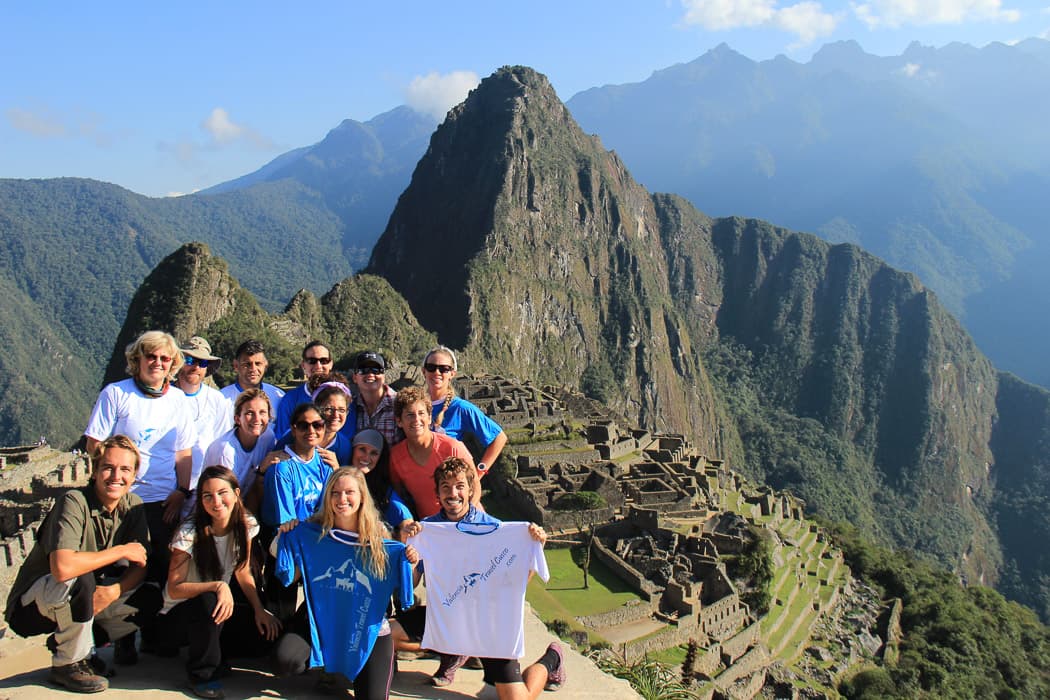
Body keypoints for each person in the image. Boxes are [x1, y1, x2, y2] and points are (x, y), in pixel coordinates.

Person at [4, 436, 161, 693]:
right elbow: (63, 568)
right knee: (81, 578)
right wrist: (120, 550)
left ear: (134, 476)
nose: (116, 476)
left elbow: (140, 565)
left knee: (151, 595)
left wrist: (114, 591)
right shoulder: (74, 501)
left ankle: (80, 647)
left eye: (125, 470)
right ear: (95, 470)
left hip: (83, 598)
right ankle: (68, 665)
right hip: (33, 607)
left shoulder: (133, 506)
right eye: (108, 467)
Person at [403, 457, 564, 695]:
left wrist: (532, 545)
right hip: (446, 615)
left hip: (490, 626)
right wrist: (409, 552)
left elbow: (518, 582)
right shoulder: (428, 529)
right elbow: (412, 582)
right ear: (437, 493)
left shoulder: (494, 530)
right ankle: (454, 648)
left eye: (459, 486)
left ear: (470, 490)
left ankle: (552, 660)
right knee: (384, 635)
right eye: (445, 487)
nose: (453, 493)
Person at [273, 467, 414, 700]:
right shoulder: (312, 532)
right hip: (322, 620)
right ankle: (330, 668)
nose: (342, 499)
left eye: (349, 492)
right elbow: (291, 575)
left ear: (361, 497)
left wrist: (410, 559)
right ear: (327, 497)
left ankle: (349, 672)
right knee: (285, 660)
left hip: (366, 630)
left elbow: (406, 587)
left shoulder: (381, 540)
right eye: (335, 493)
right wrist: (284, 535)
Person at [84, 330, 196, 586]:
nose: (158, 363)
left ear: (172, 364)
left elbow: (183, 451)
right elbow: (95, 444)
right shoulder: (116, 394)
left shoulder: (178, 400)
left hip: (163, 501)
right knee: (117, 569)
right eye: (151, 356)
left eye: (165, 358)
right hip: (121, 500)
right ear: (138, 359)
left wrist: (181, 491)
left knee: (160, 569)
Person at [159, 466, 280, 699]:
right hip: (178, 616)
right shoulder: (188, 533)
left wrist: (259, 610)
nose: (216, 501)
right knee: (210, 599)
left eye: (222, 493)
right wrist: (218, 585)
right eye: (207, 496)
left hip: (214, 611)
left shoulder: (245, 523)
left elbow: (243, 570)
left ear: (236, 493)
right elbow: (174, 589)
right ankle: (202, 675)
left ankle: (216, 653)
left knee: (265, 636)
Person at [388, 386, 476, 519]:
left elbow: (475, 486)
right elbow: (400, 493)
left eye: (421, 413)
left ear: (429, 418)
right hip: (432, 528)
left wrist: (466, 519)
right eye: (410, 415)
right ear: (399, 421)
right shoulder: (396, 457)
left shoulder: (452, 447)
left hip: (466, 520)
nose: (416, 420)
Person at [423, 346, 507, 477]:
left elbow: (499, 437)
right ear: (424, 371)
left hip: (449, 487)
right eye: (431, 367)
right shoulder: (416, 406)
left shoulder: (460, 408)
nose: (437, 372)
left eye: (444, 369)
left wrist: (478, 473)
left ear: (452, 374)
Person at [173, 337, 231, 513]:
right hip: (167, 488)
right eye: (190, 360)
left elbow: (223, 443)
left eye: (202, 362)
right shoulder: (164, 397)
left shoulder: (216, 400)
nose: (196, 367)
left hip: (202, 490)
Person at [261, 403, 334, 533]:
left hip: (315, 533)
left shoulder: (326, 463)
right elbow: (287, 522)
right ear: (293, 430)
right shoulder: (281, 468)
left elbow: (326, 510)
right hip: (287, 536)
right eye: (303, 426)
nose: (311, 431)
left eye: (317, 425)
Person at [203, 389, 276, 513]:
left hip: (246, 506)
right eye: (249, 413)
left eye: (262, 412)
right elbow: (222, 498)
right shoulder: (225, 450)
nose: (257, 419)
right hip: (216, 510)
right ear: (237, 419)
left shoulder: (268, 436)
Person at [351, 429, 412, 538]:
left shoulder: (383, 489)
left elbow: (406, 521)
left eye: (374, 453)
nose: (366, 457)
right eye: (362, 449)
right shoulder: (336, 475)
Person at [274, 341, 334, 437]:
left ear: (331, 364)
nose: (318, 365)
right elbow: (282, 436)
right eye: (312, 361)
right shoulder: (290, 399)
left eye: (324, 361)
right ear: (303, 365)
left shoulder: (342, 397)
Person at [219, 340, 285, 421]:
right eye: (247, 364)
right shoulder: (221, 399)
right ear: (236, 365)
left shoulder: (279, 397)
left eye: (258, 364)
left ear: (266, 365)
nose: (253, 369)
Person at [351, 351, 401, 446]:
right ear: (354, 378)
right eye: (363, 370)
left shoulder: (400, 404)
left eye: (376, 370)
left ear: (384, 376)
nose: (370, 374)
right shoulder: (349, 408)